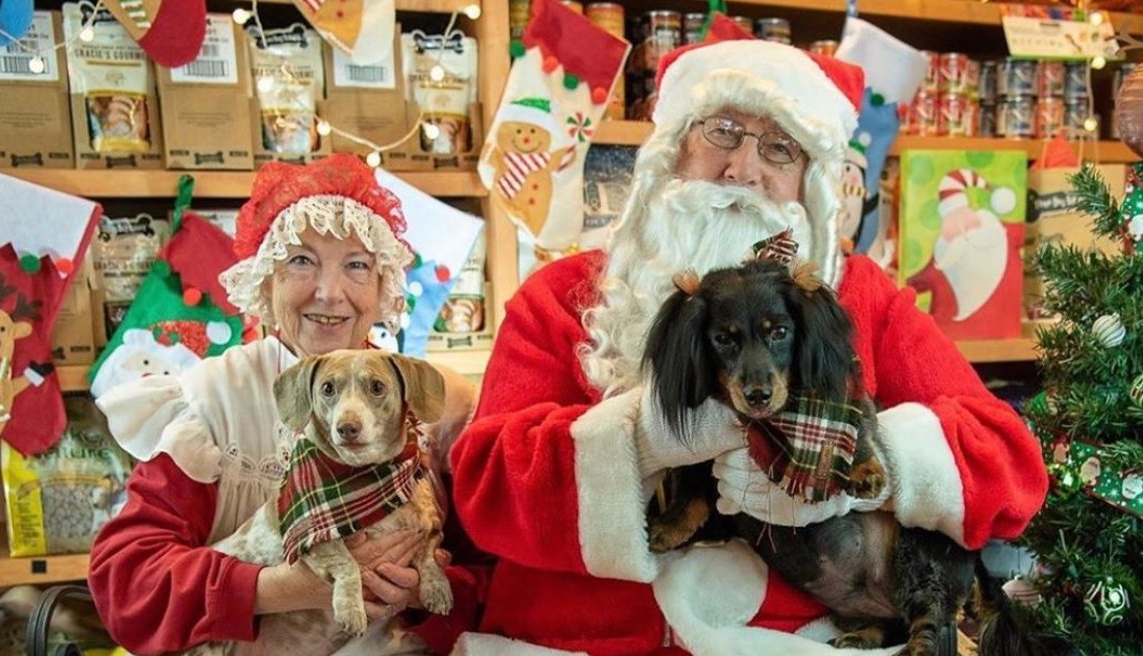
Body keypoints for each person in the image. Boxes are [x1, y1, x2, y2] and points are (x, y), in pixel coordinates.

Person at [448, 39, 1049, 655]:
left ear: (807, 184)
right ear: (672, 149)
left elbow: (1008, 463)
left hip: (794, 641)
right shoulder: (563, 296)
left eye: (779, 148)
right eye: (724, 131)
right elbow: (484, 488)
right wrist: (644, 439)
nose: (743, 170)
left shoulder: (858, 294)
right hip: (584, 641)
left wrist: (861, 468)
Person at [88, 154, 485, 655]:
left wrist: (421, 592)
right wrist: (284, 588)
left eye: (357, 265)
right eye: (301, 261)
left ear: (384, 285)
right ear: (265, 280)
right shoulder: (215, 400)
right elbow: (127, 584)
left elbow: (490, 576)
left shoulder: (436, 404)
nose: (329, 292)